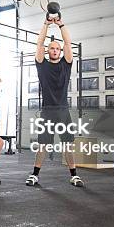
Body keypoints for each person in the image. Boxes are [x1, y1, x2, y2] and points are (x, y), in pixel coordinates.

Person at [25, 14, 84, 187]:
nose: (55, 50)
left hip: (63, 111)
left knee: (68, 145)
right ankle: (35, 175)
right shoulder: (42, 65)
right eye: (51, 48)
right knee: (42, 145)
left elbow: (67, 43)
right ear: (47, 51)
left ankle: (74, 175)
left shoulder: (66, 64)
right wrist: (45, 24)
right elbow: (39, 43)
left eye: (57, 48)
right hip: (47, 111)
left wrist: (60, 24)